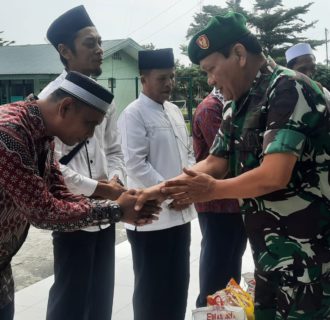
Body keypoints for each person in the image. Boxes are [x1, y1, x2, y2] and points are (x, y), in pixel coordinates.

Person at [135, 12, 330, 320]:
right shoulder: (237, 103)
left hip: (313, 258)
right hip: (271, 257)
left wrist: (212, 190)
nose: (209, 79)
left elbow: (274, 174)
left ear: (239, 54)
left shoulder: (289, 88)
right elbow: (216, 160)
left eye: (212, 69)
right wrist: (159, 191)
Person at [0, 71, 158, 320]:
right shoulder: (8, 133)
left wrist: (117, 203)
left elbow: (57, 192)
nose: (90, 135)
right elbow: (44, 212)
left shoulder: (41, 132)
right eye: (89, 124)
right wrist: (116, 210)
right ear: (66, 107)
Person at [37, 6, 126, 320]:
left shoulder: (106, 98)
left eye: (100, 42)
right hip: (72, 217)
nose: (100, 50)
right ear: (65, 51)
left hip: (105, 215)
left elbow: (115, 149)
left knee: (101, 301)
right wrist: (99, 189)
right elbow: (52, 167)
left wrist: (114, 180)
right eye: (90, 44)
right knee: (70, 303)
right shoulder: (50, 101)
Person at [117, 48, 196, 320]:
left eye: (172, 77)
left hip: (181, 212)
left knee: (178, 284)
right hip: (151, 217)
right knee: (152, 289)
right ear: (144, 80)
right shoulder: (133, 114)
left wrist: (189, 187)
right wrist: (172, 191)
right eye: (162, 78)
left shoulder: (174, 111)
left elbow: (188, 153)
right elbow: (136, 164)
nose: (169, 84)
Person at [192, 88, 247, 307]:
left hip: (236, 200)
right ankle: (208, 312)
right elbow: (230, 155)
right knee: (215, 275)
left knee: (231, 273)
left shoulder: (234, 104)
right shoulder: (210, 109)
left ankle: (227, 312)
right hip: (216, 205)